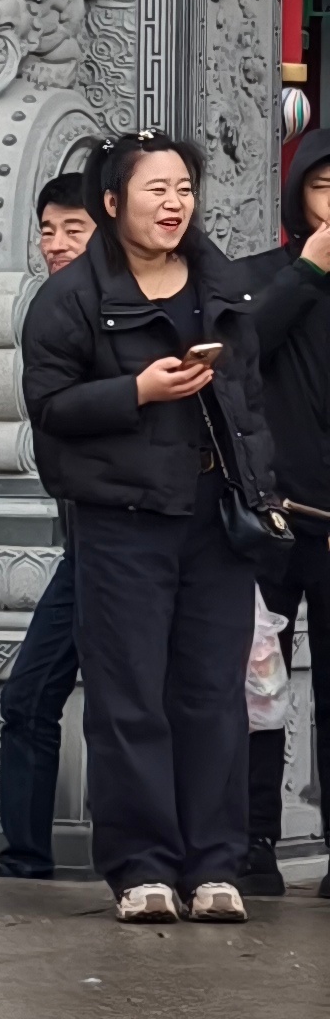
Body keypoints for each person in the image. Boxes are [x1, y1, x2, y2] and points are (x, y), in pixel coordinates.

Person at [26, 133, 281, 921]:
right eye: (155, 190)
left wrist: (262, 487)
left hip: (216, 516)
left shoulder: (221, 284)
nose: (174, 204)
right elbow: (49, 407)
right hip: (122, 519)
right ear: (112, 202)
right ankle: (141, 868)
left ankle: (215, 865)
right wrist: (135, 391)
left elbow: (249, 403)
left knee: (212, 694)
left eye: (183, 189)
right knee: (128, 695)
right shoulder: (70, 299)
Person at [0, 173, 98, 878]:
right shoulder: (48, 309)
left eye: (73, 230)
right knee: (28, 697)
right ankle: (25, 859)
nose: (55, 244)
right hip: (81, 544)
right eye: (48, 231)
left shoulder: (129, 307)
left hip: (135, 542)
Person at [236, 126, 330, 893]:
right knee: (258, 686)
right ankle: (252, 843)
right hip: (271, 518)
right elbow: (239, 355)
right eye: (324, 187)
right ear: (298, 195)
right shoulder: (260, 277)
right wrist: (307, 272)